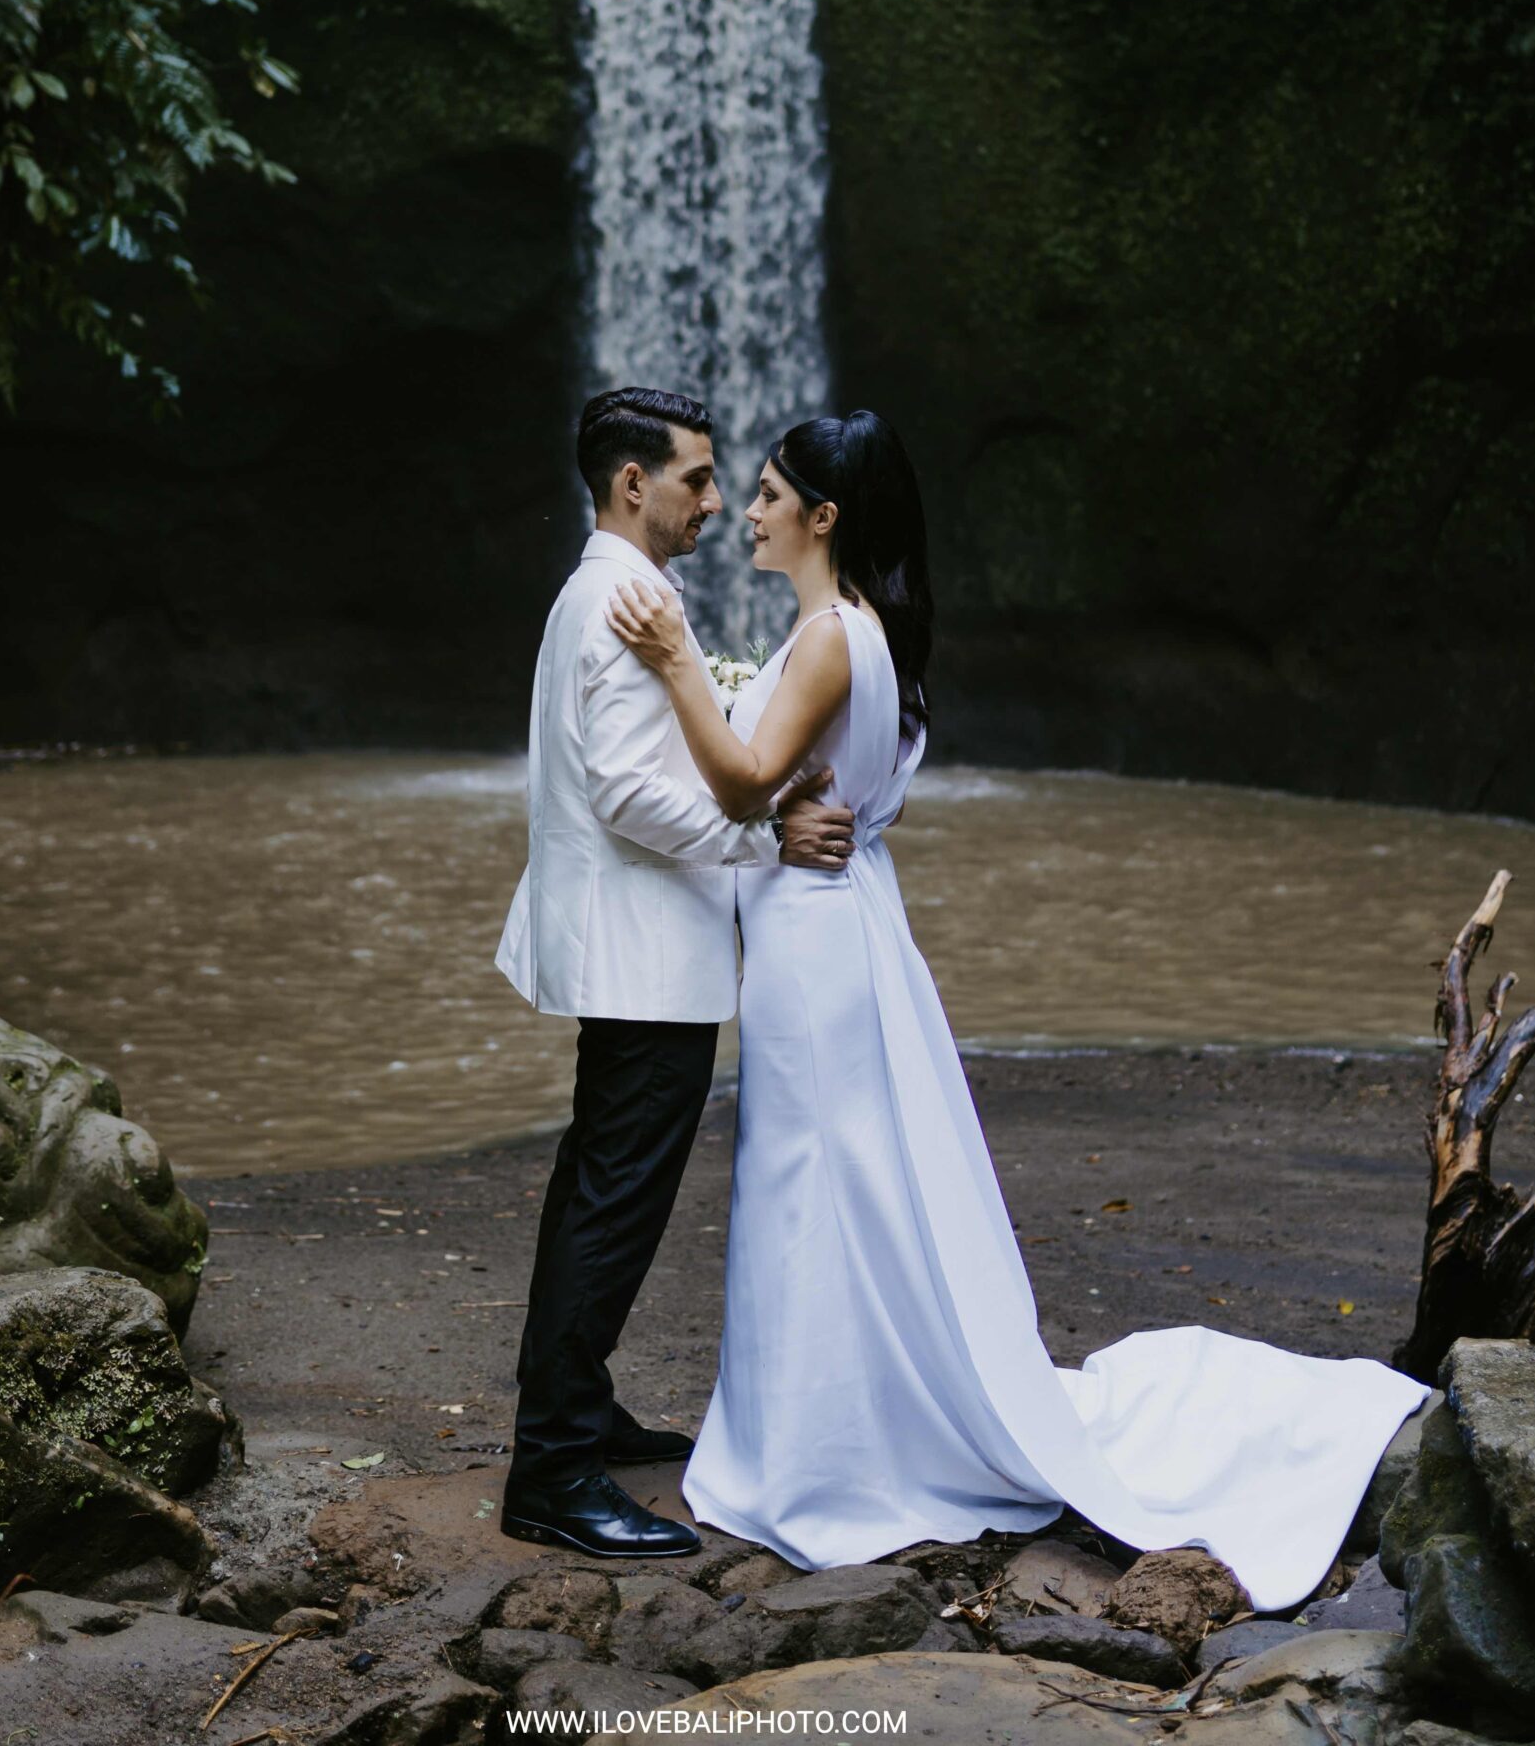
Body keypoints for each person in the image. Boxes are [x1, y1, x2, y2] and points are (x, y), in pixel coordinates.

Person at [602, 408, 1428, 1610]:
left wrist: (677, 660)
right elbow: (791, 792)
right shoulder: (865, 631)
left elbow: (738, 783)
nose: (750, 511)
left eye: (772, 493)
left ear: (824, 517)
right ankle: (833, 1423)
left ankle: (818, 1453)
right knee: (834, 1181)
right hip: (832, 923)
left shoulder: (830, 638)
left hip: (815, 941)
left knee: (809, 1178)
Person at [494, 386, 857, 1562]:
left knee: (591, 1189)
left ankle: (578, 1411)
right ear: (629, 483)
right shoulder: (625, 597)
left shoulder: (604, 584)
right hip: (644, 955)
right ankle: (552, 1472)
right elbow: (627, 792)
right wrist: (763, 833)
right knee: (614, 1204)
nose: (713, 497)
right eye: (696, 477)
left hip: (630, 947)